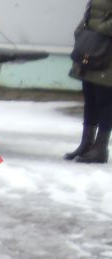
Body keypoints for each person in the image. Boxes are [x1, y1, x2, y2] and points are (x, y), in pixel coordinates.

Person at [67, 0, 112, 163]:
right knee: (90, 97)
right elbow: (92, 11)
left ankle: (100, 148)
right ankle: (86, 144)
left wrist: (100, 28)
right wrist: (81, 29)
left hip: (107, 51)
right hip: (94, 47)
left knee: (105, 101)